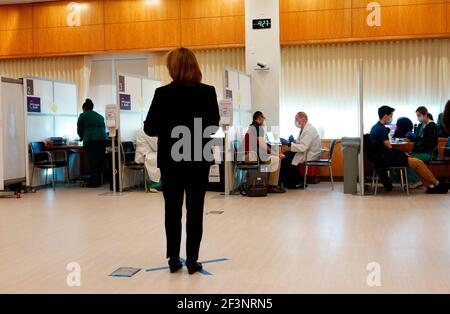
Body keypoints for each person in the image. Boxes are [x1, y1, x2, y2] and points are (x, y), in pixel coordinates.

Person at [144, 48, 220, 275]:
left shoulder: (162, 93)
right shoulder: (208, 92)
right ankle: (193, 260)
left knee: (172, 211)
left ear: (172, 67)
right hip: (198, 159)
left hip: (171, 162)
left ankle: (174, 258)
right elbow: (214, 126)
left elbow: (150, 127)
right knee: (195, 211)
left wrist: (170, 129)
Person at [369, 106, 447, 194]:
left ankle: (431, 184)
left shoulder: (376, 127)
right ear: (386, 116)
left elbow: (426, 142)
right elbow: (389, 148)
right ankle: (436, 183)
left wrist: (407, 148)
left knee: (416, 161)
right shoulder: (381, 129)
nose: (391, 118)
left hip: (383, 157)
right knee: (418, 163)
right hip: (385, 157)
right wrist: (403, 153)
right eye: (391, 115)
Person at [243, 111, 286, 193]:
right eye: (263, 118)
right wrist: (277, 154)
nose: (264, 120)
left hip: (246, 156)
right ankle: (271, 186)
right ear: (259, 117)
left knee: (270, 160)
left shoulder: (251, 127)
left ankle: (265, 183)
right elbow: (263, 145)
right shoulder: (258, 128)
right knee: (276, 159)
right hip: (251, 156)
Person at [280, 112, 322, 189]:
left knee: (286, 157)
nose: (295, 121)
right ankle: (288, 181)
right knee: (286, 155)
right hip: (305, 152)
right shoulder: (303, 129)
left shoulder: (309, 130)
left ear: (303, 119)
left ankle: (293, 182)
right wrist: (292, 141)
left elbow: (304, 147)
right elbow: (300, 142)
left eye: (296, 119)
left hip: (310, 154)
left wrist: (290, 145)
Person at [404, 106, 438, 188]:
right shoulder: (420, 125)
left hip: (429, 152)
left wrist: (415, 138)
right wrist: (411, 139)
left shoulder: (432, 126)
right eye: (417, 115)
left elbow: (428, 141)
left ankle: (416, 181)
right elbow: (418, 140)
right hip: (420, 151)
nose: (418, 117)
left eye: (419, 115)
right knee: (404, 156)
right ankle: (417, 180)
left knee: (408, 160)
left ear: (425, 114)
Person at [77, 99, 107, 188]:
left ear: (84, 108)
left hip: (92, 140)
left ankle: (94, 183)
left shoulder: (83, 115)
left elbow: (79, 129)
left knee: (93, 161)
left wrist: (81, 137)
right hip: (102, 139)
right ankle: (99, 181)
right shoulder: (100, 116)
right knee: (100, 160)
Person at [135, 127, 161, 193]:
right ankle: (155, 184)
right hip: (145, 155)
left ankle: (158, 182)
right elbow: (156, 146)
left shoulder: (145, 129)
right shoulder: (147, 131)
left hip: (147, 153)